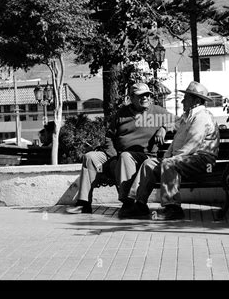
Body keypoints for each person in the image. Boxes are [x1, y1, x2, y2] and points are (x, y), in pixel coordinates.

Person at [67, 83, 176, 215]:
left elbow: (179, 122)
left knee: (125, 156)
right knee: (90, 157)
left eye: (147, 95)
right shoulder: (122, 113)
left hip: (143, 158)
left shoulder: (157, 111)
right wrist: (112, 156)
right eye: (141, 95)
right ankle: (84, 204)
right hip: (117, 156)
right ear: (131, 97)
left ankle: (128, 203)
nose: (145, 98)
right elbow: (109, 136)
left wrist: (164, 127)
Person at [121, 81, 220, 220]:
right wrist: (163, 127)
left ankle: (172, 207)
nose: (182, 100)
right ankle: (138, 204)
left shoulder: (201, 117)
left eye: (186, 98)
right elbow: (173, 125)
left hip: (201, 159)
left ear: (196, 101)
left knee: (169, 164)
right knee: (148, 164)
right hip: (183, 158)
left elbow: (192, 145)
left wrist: (168, 160)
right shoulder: (188, 116)